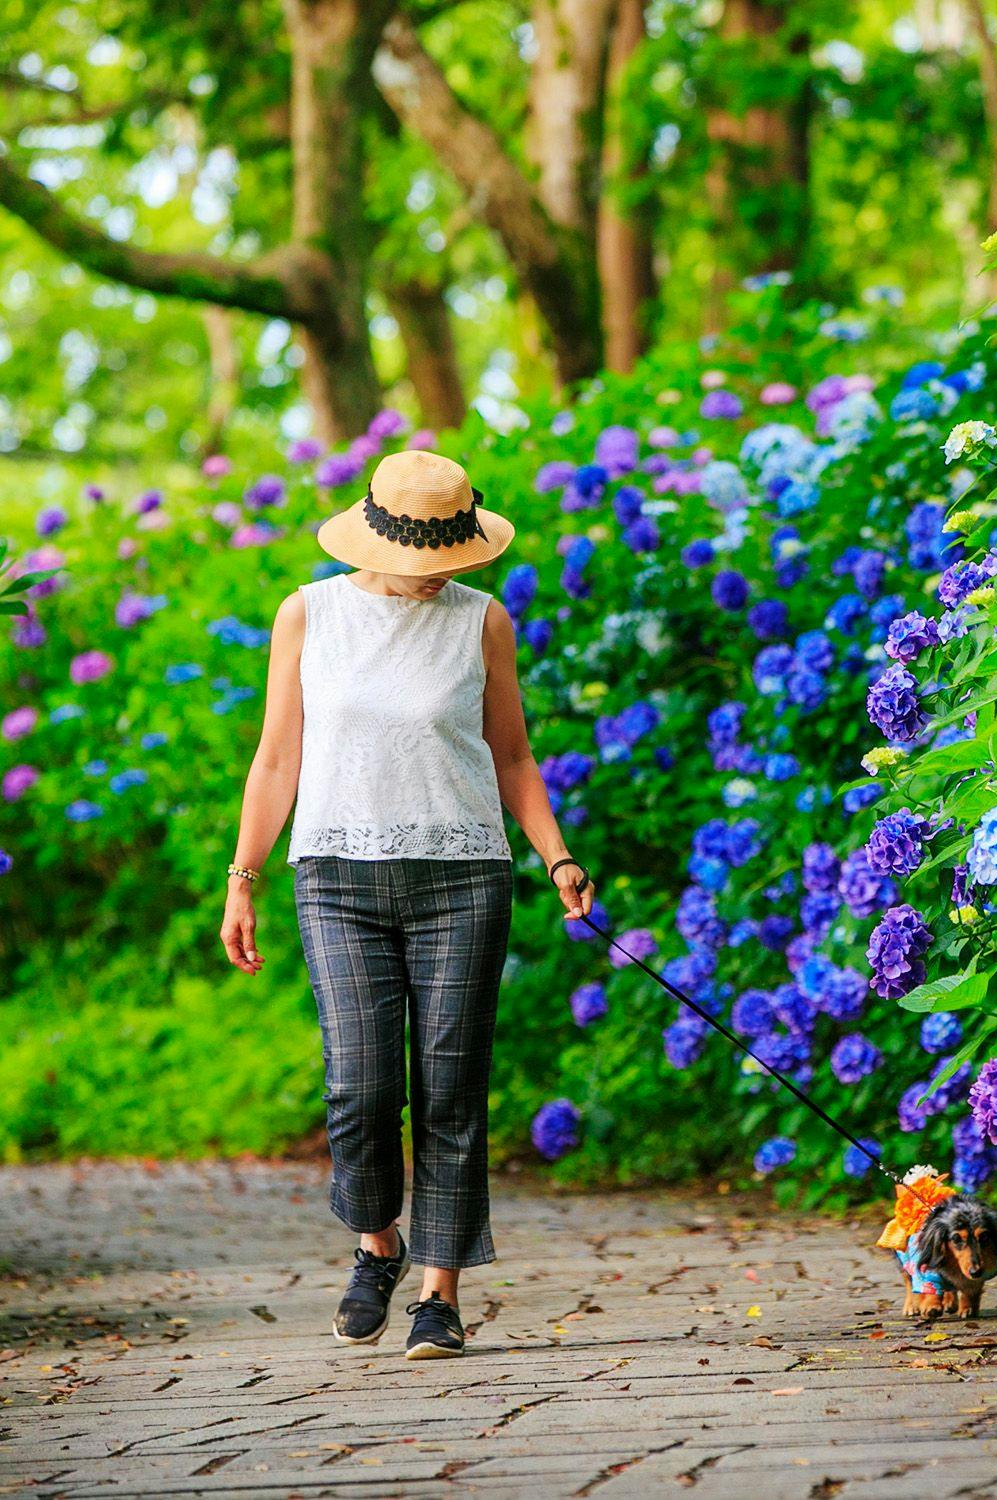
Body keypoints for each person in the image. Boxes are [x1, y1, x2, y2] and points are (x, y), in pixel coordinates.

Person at [220, 449, 591, 1359]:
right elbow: (275, 760)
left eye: (454, 561)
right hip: (337, 877)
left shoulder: (483, 622)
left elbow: (512, 757)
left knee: (451, 1090)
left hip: (464, 877)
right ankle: (376, 1242)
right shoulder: (309, 614)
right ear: (378, 537)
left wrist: (558, 858)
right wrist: (243, 879)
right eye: (431, 560)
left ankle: (439, 1295)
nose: (444, 577)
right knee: (360, 1087)